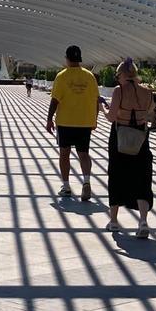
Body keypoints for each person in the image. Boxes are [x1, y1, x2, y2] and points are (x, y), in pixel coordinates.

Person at [100, 58, 156, 239]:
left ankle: (114, 221)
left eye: (118, 76)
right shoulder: (147, 92)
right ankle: (143, 221)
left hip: (120, 137)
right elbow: (149, 113)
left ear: (122, 75)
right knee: (142, 178)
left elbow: (111, 117)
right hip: (140, 138)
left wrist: (102, 108)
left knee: (117, 175)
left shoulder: (119, 91)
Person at [46, 45, 99, 201]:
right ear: (80, 59)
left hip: (65, 122)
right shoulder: (90, 76)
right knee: (83, 154)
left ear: (67, 58)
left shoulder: (62, 76)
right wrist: (94, 119)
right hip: (84, 122)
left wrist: (49, 119)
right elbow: (96, 100)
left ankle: (66, 186)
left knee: (64, 154)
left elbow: (55, 100)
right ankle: (87, 182)